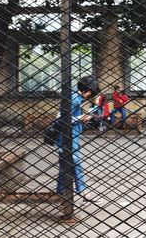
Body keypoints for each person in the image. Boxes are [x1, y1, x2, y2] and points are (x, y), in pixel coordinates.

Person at [55, 75, 101, 203]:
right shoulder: (74, 98)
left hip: (70, 136)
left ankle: (59, 192)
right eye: (92, 91)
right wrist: (82, 117)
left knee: (65, 165)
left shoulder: (76, 98)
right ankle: (84, 192)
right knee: (75, 163)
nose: (92, 94)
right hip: (66, 137)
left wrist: (94, 107)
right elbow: (62, 119)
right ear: (88, 89)